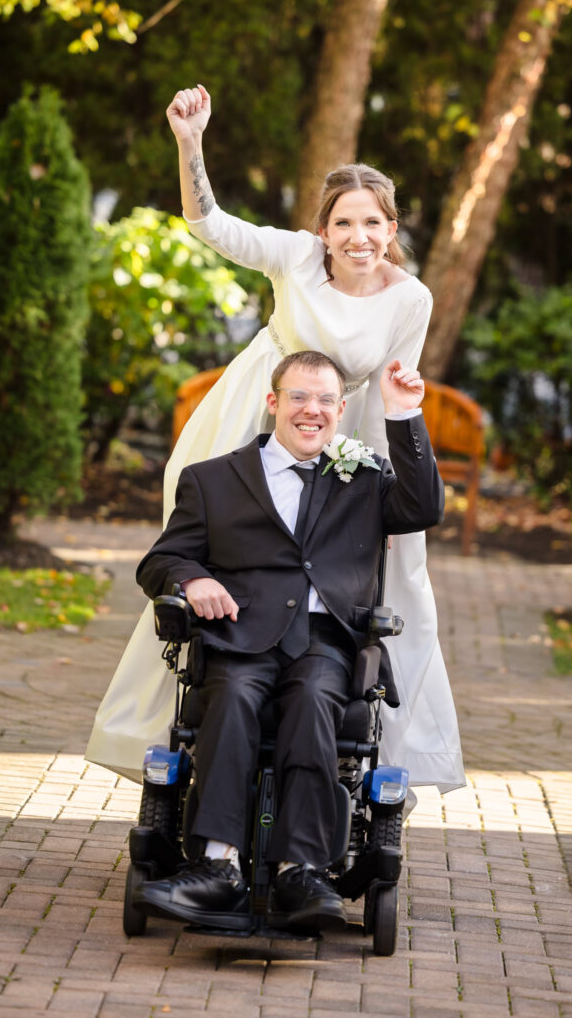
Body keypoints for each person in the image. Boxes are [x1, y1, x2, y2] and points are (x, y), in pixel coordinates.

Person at [85, 83, 465, 794]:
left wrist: (383, 497)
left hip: (341, 425)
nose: (358, 237)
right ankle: (212, 676)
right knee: (217, 536)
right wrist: (189, 143)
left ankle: (340, 712)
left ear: (391, 228)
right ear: (323, 229)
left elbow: (389, 394)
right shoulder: (292, 257)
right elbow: (211, 224)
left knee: (389, 568)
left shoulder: (410, 298)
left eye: (373, 223)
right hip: (257, 408)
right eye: (344, 222)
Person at [133, 350, 444, 932]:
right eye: (299, 396)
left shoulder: (366, 475)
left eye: (326, 400)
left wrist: (405, 416)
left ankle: (301, 868)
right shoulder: (214, 480)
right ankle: (217, 866)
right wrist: (194, 579)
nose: (313, 410)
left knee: (312, 702)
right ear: (273, 402)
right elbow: (162, 559)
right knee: (232, 700)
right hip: (239, 639)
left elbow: (424, 507)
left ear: (341, 409)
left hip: (326, 642)